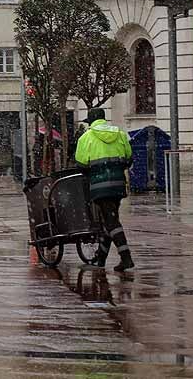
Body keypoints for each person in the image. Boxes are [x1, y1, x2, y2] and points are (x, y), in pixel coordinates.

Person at [74, 108, 135, 271]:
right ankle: (101, 258)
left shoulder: (86, 138)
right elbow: (129, 158)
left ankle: (126, 257)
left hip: (99, 186)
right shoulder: (120, 134)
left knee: (111, 220)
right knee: (109, 219)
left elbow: (81, 164)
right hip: (118, 184)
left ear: (91, 121)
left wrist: (92, 172)